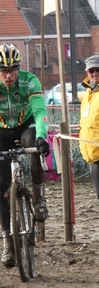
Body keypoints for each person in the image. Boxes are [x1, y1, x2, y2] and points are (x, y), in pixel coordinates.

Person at [0, 43, 50, 268]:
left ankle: (37, 195)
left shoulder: (29, 80)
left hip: (25, 125)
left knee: (33, 147)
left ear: (18, 68)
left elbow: (40, 110)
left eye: (12, 70)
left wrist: (42, 137)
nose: (8, 76)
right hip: (0, 130)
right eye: (3, 71)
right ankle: (7, 239)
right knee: (1, 182)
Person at [79, 54, 99, 199]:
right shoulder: (87, 94)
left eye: (98, 70)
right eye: (91, 71)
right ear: (87, 73)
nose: (94, 73)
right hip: (92, 152)